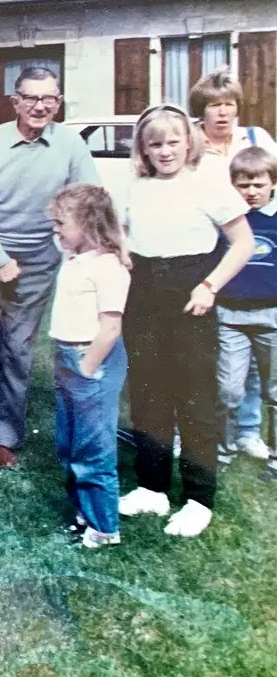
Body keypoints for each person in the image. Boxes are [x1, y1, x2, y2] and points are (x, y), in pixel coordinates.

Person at [117, 104, 253, 538]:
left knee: (194, 397)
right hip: (143, 292)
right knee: (147, 390)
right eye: (155, 143)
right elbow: (120, 235)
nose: (165, 150)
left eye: (174, 141)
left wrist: (209, 285)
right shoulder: (133, 185)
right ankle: (152, 487)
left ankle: (199, 498)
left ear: (189, 141)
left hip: (191, 290)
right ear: (143, 147)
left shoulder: (207, 182)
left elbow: (243, 243)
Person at [0, 67, 98, 472]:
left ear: (59, 102)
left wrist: (70, 248)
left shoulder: (70, 143)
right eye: (30, 98)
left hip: (36, 267)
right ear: (14, 101)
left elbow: (88, 200)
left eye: (48, 98)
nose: (39, 106)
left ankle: (7, 436)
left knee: (18, 351)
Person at [193, 68, 276, 458]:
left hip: (258, 243)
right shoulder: (193, 145)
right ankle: (208, 427)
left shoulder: (257, 139)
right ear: (202, 112)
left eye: (229, 105)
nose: (223, 114)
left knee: (263, 360)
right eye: (214, 107)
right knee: (220, 347)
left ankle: (248, 431)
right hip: (211, 246)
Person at [47, 183, 131, 549]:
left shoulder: (109, 267)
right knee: (70, 444)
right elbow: (65, 240)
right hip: (68, 356)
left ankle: (104, 526)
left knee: (93, 449)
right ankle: (83, 512)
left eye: (61, 223)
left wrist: (87, 366)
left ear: (88, 224)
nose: (55, 231)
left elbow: (110, 327)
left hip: (90, 360)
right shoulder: (75, 256)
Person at [218, 147, 277, 466]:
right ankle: (224, 448)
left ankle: (273, 454)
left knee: (275, 389)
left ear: (273, 182)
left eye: (258, 184)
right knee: (228, 389)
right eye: (244, 185)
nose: (251, 192)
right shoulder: (229, 219)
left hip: (273, 316)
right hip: (231, 317)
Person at [193, 67, 277, 163]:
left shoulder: (256, 137)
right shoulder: (188, 143)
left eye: (229, 104)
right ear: (201, 109)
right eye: (215, 105)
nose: (223, 112)